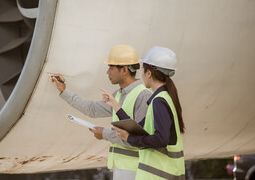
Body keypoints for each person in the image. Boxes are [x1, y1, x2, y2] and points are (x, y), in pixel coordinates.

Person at [51, 45, 152, 180]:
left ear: (124, 70)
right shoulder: (119, 95)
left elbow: (139, 139)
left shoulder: (143, 95)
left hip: (137, 170)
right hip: (122, 168)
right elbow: (91, 109)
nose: (107, 72)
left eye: (111, 68)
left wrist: (104, 133)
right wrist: (64, 91)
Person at [103, 46, 186, 180]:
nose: (141, 75)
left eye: (143, 71)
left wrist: (130, 138)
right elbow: (139, 128)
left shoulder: (159, 101)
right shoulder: (162, 98)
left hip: (159, 176)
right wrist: (116, 106)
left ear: (149, 73)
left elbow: (161, 139)